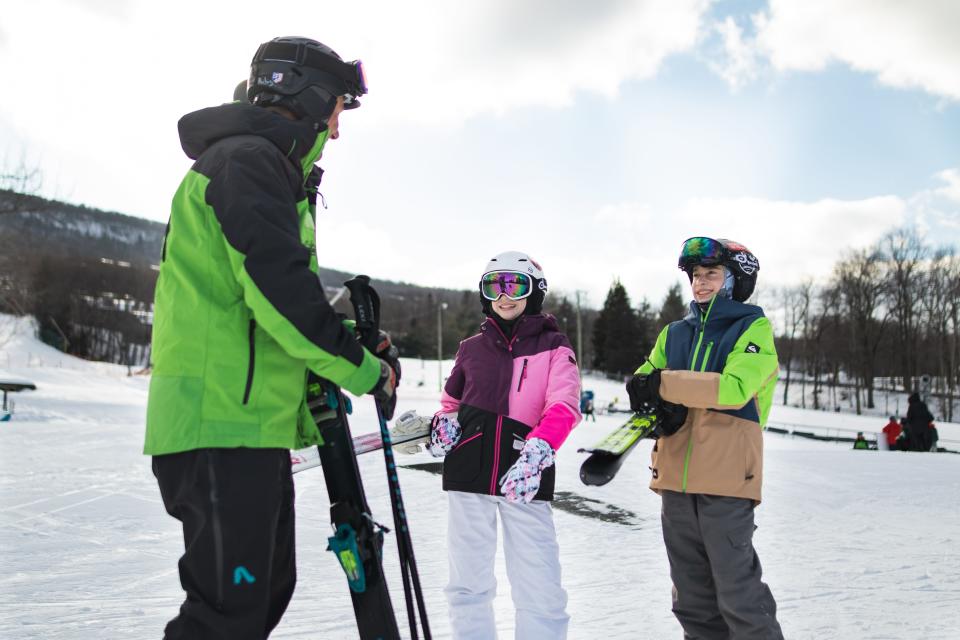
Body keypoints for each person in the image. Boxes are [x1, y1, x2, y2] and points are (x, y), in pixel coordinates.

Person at [143, 37, 400, 639]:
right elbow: (279, 293)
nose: (336, 130)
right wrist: (361, 369)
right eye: (338, 108)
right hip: (218, 425)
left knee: (259, 601)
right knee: (228, 615)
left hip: (244, 427)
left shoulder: (263, 167)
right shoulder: (245, 163)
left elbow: (272, 303)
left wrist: (352, 350)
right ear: (308, 98)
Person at [626, 237, 784, 639]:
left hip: (727, 479)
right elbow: (646, 379)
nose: (700, 283)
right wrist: (646, 394)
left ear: (735, 281)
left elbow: (732, 389)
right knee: (691, 601)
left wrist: (663, 384)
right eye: (696, 275)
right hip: (675, 478)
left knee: (738, 594)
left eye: (711, 274)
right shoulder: (674, 333)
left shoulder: (753, 328)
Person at [427, 251, 581, 639]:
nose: (505, 295)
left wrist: (539, 450)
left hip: (523, 476)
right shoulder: (471, 347)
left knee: (539, 584)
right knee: (466, 583)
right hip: (468, 474)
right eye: (494, 286)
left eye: (515, 285)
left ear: (535, 292)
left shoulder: (554, 346)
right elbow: (451, 403)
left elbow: (564, 405)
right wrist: (444, 423)